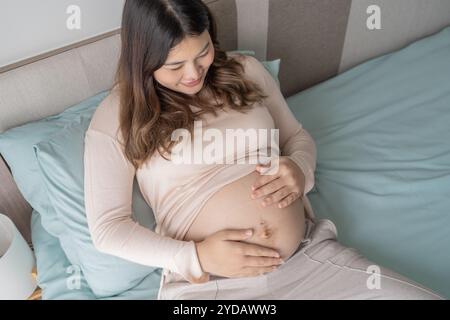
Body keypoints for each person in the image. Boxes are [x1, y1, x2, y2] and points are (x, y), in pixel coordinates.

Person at [83, 0, 443, 300]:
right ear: (142, 58)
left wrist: (300, 169)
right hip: (212, 286)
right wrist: (194, 256)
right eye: (175, 65)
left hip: (310, 259)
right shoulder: (117, 115)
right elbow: (108, 228)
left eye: (203, 52)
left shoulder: (245, 71)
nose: (194, 74)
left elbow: (297, 138)